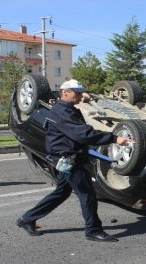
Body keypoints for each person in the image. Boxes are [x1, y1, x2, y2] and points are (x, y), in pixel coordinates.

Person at [16, 79, 132, 242]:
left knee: (61, 193)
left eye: (80, 92)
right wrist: (113, 138)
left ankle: (26, 219)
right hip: (68, 159)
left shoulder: (68, 110)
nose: (81, 95)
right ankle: (93, 230)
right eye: (77, 92)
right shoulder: (62, 112)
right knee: (87, 194)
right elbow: (82, 134)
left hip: (70, 157)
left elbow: (80, 135)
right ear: (65, 93)